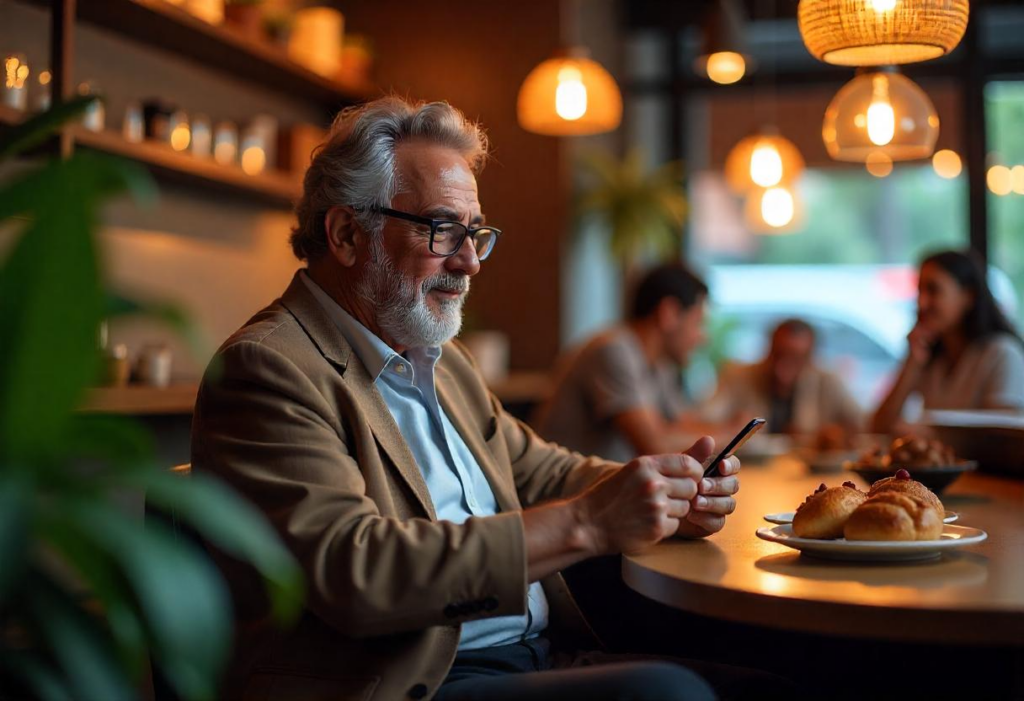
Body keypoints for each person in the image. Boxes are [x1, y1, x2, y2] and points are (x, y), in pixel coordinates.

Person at [191, 96, 752, 701]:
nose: (468, 262)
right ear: (348, 234)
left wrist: (665, 493)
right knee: (669, 694)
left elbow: (541, 471)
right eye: (442, 230)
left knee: (777, 680)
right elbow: (358, 573)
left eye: (475, 233)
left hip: (532, 655)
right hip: (413, 683)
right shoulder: (268, 368)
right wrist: (588, 522)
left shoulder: (441, 359)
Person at [533, 264, 710, 462]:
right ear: (668, 313)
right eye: (698, 322)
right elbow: (655, 445)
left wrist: (735, 429)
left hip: (605, 487)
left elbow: (682, 424)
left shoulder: (659, 364)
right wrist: (731, 435)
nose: (703, 337)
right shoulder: (613, 350)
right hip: (565, 489)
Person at [872, 249, 1024, 434]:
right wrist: (911, 364)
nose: (922, 303)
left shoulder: (1001, 354)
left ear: (968, 296)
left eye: (933, 290)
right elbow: (878, 428)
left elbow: (1002, 436)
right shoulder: (930, 358)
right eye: (919, 291)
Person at [702, 319, 863, 443]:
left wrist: (834, 435)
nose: (782, 369)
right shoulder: (737, 376)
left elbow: (862, 425)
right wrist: (728, 426)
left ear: (811, 359)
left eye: (796, 359)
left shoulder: (828, 382)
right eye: (777, 355)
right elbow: (705, 419)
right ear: (768, 349)